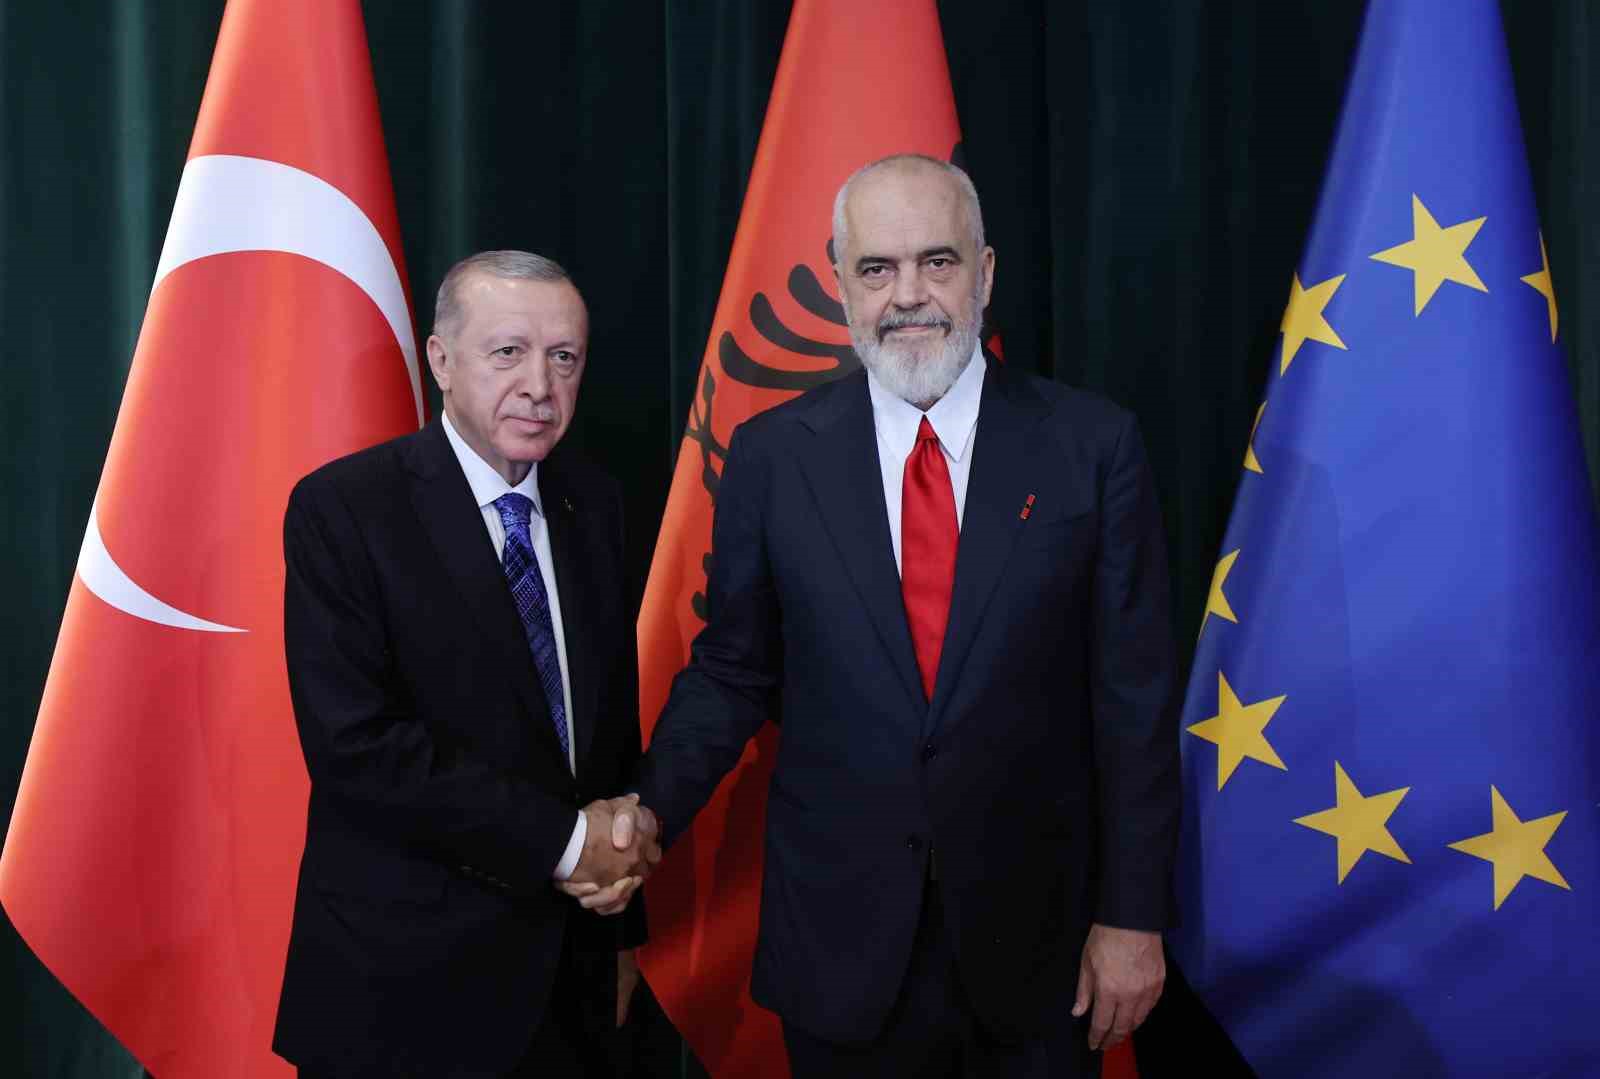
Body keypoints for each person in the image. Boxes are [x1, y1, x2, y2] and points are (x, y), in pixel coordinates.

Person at [627, 155, 1180, 1077]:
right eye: (878, 268)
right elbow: (733, 670)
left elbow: (1135, 699)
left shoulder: (1092, 446)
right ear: (841, 281)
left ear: (985, 273)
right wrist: (645, 812)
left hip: (1037, 954)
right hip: (841, 951)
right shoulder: (771, 457)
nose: (909, 294)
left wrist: (1133, 914)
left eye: (938, 261)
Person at [273, 250, 659, 1078]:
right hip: (405, 996)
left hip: (572, 990)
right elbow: (359, 750)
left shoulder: (595, 504)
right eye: (507, 351)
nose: (539, 385)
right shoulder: (344, 510)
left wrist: (621, 926)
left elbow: (607, 738)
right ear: (441, 361)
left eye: (564, 357)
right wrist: (567, 843)